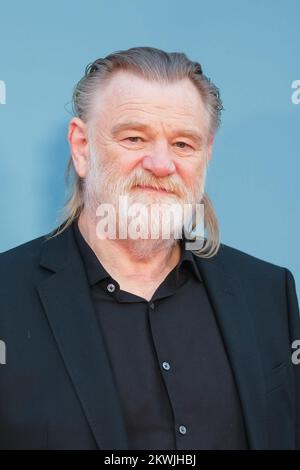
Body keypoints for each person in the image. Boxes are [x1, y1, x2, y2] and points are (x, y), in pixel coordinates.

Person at [0, 47, 299, 450]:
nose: (161, 164)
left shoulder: (269, 293)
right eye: (134, 137)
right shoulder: (6, 296)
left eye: (182, 144)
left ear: (207, 153)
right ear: (82, 147)